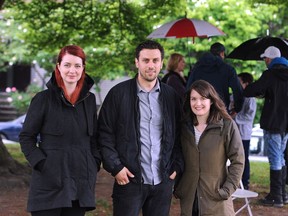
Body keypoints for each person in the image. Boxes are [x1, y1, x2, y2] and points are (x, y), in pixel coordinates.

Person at [97, 40, 184, 216]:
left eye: (155, 60)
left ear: (161, 63)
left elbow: (180, 135)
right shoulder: (118, 94)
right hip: (129, 180)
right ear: (137, 62)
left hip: (162, 181)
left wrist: (177, 166)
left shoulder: (171, 96)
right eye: (146, 60)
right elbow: (104, 134)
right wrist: (116, 167)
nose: (150, 65)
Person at [19, 45, 101, 216]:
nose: (72, 70)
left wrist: (94, 163)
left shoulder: (90, 100)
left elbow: (94, 138)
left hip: (80, 183)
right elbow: (27, 137)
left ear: (83, 68)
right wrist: (43, 164)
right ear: (58, 67)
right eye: (67, 65)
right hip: (49, 183)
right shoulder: (43, 99)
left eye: (77, 66)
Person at [174, 80, 244, 216]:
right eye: (193, 99)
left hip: (216, 199)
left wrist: (227, 190)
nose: (197, 103)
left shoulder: (226, 126)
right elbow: (176, 156)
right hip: (189, 199)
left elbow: (238, 161)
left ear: (211, 101)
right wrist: (179, 187)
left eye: (202, 98)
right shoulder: (183, 127)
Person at [244, 46, 288, 207]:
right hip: (286, 124)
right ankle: (282, 195)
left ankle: (276, 197)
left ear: (269, 59)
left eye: (265, 59)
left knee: (275, 159)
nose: (264, 62)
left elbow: (251, 90)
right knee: (281, 157)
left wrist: (260, 91)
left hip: (273, 123)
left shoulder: (270, 74)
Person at [186, 42, 244, 113]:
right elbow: (237, 90)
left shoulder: (197, 68)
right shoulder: (228, 69)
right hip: (220, 109)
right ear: (222, 53)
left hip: (200, 109)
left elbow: (188, 89)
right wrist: (237, 108)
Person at [230, 72, 257, 190]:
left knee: (244, 157)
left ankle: (245, 182)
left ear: (246, 83)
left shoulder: (250, 98)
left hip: (244, 133)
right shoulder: (235, 95)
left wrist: (234, 116)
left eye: (239, 82)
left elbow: (249, 116)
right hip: (234, 132)